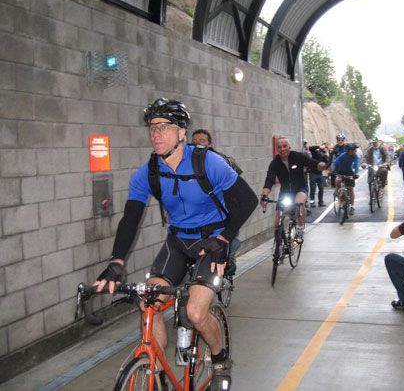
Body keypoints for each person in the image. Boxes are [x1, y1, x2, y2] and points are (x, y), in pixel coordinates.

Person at [95, 98, 258, 390]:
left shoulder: (208, 162)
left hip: (211, 243)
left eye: (165, 127)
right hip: (178, 242)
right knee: (150, 304)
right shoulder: (148, 173)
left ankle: (220, 358)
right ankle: (153, 372)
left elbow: (247, 201)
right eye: (153, 127)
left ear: (182, 132)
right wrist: (116, 261)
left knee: (195, 313)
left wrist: (223, 240)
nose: (156, 133)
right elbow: (130, 219)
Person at [191, 129, 242, 272]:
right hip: (201, 208)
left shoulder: (222, 160)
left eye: (202, 142)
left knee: (231, 232)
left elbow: (237, 185)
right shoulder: (186, 163)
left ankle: (230, 254)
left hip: (224, 204)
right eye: (194, 142)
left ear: (210, 144)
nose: (197, 145)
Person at [261, 136, 326, 243]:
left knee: (299, 203)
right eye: (279, 147)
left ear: (289, 147)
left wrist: (322, 165)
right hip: (285, 192)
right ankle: (278, 245)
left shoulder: (297, 156)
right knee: (277, 219)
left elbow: (312, 163)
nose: (282, 149)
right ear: (277, 149)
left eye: (285, 146)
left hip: (300, 188)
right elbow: (269, 180)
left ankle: (300, 229)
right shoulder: (275, 163)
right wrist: (264, 196)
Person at [333, 142, 360, 215]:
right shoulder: (343, 155)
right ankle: (337, 191)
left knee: (351, 188)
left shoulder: (355, 156)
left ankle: (352, 206)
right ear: (350, 151)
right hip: (341, 172)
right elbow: (335, 162)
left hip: (349, 173)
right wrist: (333, 170)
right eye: (354, 150)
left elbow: (357, 164)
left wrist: (356, 173)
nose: (356, 151)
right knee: (338, 181)